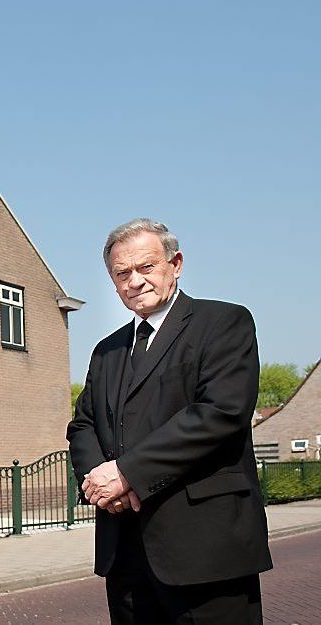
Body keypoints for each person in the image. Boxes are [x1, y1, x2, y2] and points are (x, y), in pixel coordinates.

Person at [67, 218, 272, 624]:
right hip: (124, 548)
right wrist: (103, 483)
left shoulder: (222, 323)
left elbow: (219, 413)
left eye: (146, 267)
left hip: (205, 548)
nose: (134, 281)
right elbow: (83, 424)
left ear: (175, 264)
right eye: (122, 273)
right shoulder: (106, 351)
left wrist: (128, 473)